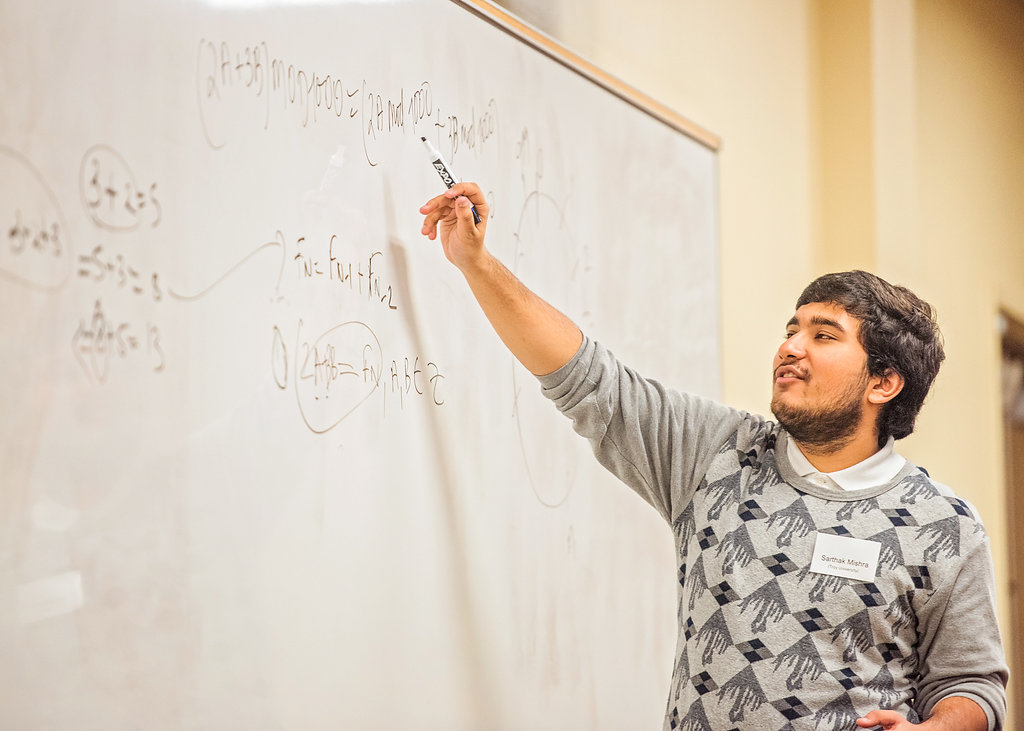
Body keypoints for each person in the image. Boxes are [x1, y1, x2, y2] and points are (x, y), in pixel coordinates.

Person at [418, 183, 1009, 730]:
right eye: (791, 328)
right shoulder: (717, 453)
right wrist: (476, 263)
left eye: (823, 336)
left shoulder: (945, 526)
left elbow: (973, 685)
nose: (790, 347)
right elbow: (588, 379)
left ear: (884, 382)